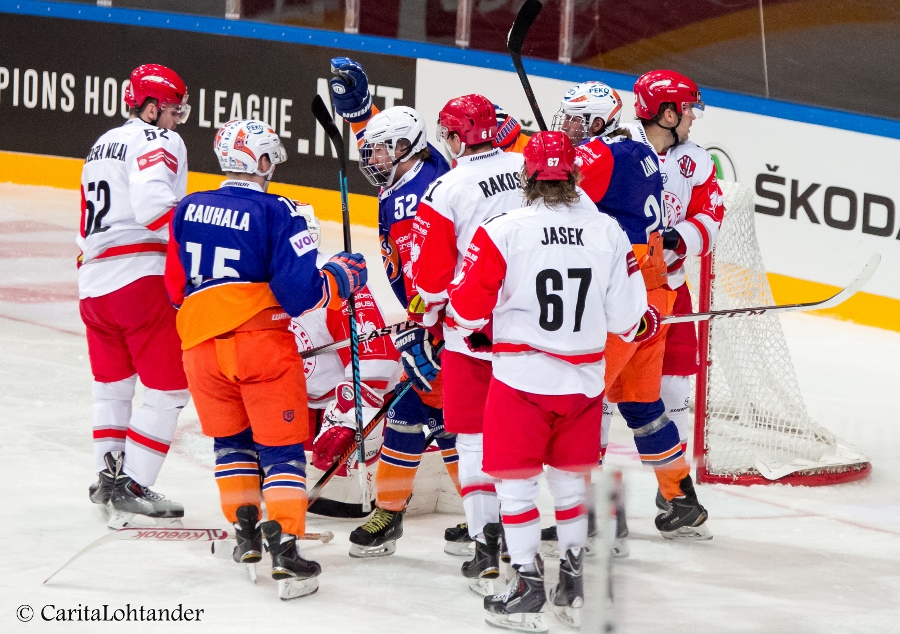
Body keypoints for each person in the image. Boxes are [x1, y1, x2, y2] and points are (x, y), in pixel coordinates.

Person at [446, 131, 651, 631]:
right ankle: (574, 585)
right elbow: (631, 320)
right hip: (582, 384)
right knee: (569, 486)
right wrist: (645, 323)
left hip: (521, 381)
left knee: (515, 490)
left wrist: (479, 320)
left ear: (527, 178)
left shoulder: (503, 229)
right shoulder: (608, 232)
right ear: (575, 176)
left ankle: (526, 586)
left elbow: (466, 311)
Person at [164, 119, 368, 600]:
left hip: (199, 347)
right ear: (258, 161)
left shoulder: (188, 207)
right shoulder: (282, 210)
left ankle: (246, 535)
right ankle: (287, 546)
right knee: (281, 452)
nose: (272, 166)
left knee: (231, 445)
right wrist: (341, 276)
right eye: (270, 157)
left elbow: (175, 289)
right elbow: (301, 296)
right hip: (260, 346)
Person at [328, 57, 464, 558]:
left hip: (444, 322)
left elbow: (425, 277)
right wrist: (363, 114)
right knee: (436, 415)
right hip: (439, 318)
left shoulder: (412, 203)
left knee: (434, 415)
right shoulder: (430, 163)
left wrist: (419, 331)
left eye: (382, 152)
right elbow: (397, 136)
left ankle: (474, 519)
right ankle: (477, 517)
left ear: (406, 150)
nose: (374, 160)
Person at [409, 92, 526, 595]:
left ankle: (486, 544)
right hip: (536, 332)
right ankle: (531, 539)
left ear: (457, 137)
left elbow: (431, 281)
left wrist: (424, 318)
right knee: (526, 443)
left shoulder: (446, 188)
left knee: (475, 440)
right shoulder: (529, 166)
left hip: (473, 332)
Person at [80, 63, 192, 529]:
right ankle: (135, 484)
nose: (173, 121)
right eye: (169, 111)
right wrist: (203, 221)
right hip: (139, 281)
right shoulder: (156, 139)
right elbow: (152, 210)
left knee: (113, 386)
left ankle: (109, 477)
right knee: (170, 388)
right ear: (149, 107)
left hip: (92, 287)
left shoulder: (100, 143)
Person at [622, 70, 724, 515]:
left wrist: (676, 239)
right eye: (686, 111)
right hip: (617, 293)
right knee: (603, 398)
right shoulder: (616, 149)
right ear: (666, 113)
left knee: (673, 392)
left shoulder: (696, 161)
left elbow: (711, 217)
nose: (692, 120)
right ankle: (595, 511)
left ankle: (674, 495)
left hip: (670, 289)